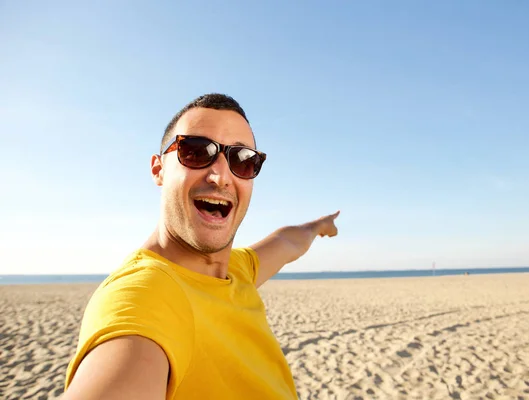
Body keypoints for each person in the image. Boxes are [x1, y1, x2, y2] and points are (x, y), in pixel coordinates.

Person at [62, 93, 340, 400]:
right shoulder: (145, 295)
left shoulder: (239, 269)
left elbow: (286, 241)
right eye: (195, 152)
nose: (220, 176)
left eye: (243, 160)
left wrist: (318, 227)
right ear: (158, 169)